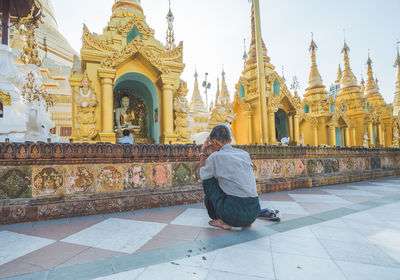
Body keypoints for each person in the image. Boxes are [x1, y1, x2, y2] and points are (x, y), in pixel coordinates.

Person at [199, 125, 261, 230]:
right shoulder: (244, 154)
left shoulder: (215, 157)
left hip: (233, 216)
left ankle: (222, 220)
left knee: (208, 181)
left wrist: (203, 151)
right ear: (230, 140)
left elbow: (202, 175)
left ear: (214, 142)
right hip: (254, 213)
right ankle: (236, 219)